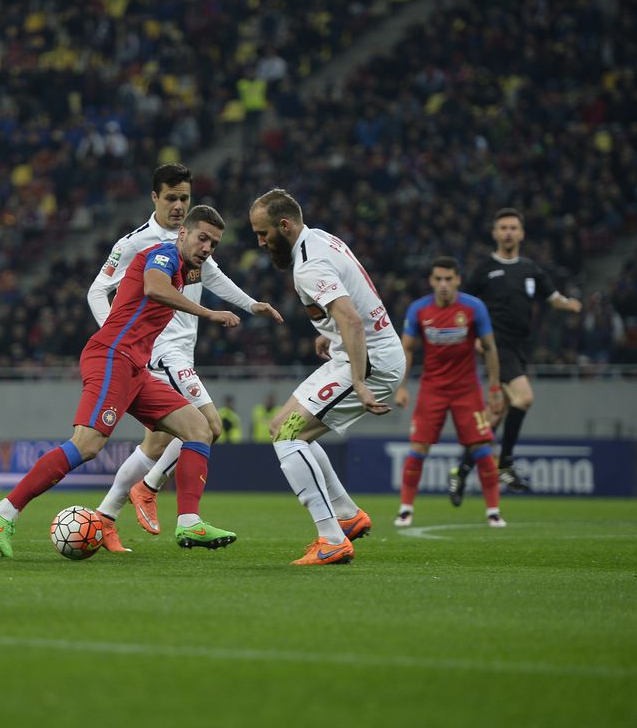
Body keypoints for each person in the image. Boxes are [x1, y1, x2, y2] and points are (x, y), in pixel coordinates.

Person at [0, 205, 242, 558]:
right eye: (202, 238)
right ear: (183, 234)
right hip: (111, 357)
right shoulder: (163, 255)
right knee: (87, 445)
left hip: (136, 367)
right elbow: (153, 288)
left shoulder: (183, 271)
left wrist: (250, 304)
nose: (208, 247)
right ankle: (6, 510)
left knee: (200, 428)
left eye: (214, 242)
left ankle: (189, 521)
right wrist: (209, 312)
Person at [87, 163, 281, 547]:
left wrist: (249, 304)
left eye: (185, 198)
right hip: (158, 351)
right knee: (208, 426)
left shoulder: (195, 239)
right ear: (154, 197)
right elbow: (97, 290)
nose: (178, 205)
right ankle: (154, 491)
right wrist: (118, 337)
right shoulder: (134, 243)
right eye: (172, 197)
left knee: (158, 441)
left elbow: (212, 276)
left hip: (181, 353)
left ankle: (105, 517)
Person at [249, 188, 405, 566]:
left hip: (369, 362)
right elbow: (353, 301)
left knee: (288, 436)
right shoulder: (319, 238)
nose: (260, 243)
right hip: (359, 353)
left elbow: (351, 317)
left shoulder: (308, 264)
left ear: (284, 226)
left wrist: (361, 380)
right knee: (282, 429)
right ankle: (347, 516)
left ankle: (331, 539)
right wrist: (330, 332)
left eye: (264, 233)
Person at [450, 208, 582, 498]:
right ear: (495, 233)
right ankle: (505, 464)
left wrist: (569, 303)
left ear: (521, 233)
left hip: (521, 348)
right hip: (497, 347)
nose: (508, 232)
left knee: (494, 417)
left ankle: (460, 471)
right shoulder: (484, 269)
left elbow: (552, 297)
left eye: (513, 228)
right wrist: (472, 337)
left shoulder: (530, 269)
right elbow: (463, 306)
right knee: (524, 397)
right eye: (503, 228)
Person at [393, 257, 507, 528]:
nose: (443, 285)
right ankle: (405, 509)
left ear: (458, 280)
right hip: (432, 388)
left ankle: (493, 511)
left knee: (482, 446)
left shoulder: (473, 307)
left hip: (467, 389)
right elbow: (406, 349)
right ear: (431, 281)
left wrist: (494, 388)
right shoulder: (418, 309)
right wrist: (401, 387)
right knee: (418, 447)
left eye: (448, 279)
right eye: (438, 279)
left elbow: (490, 348)